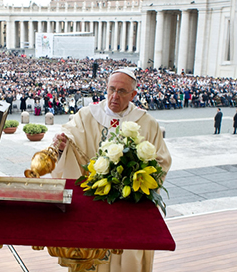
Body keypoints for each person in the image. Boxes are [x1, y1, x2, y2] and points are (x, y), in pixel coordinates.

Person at [51, 68, 172, 272]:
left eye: (122, 91)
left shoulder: (146, 122)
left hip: (128, 207)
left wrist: (132, 177)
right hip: (93, 204)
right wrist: (62, 147)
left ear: (133, 95)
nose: (114, 96)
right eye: (111, 89)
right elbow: (68, 141)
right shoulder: (87, 115)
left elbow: (162, 161)